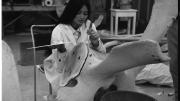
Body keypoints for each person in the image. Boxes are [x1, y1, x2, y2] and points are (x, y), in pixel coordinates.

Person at [43, 0, 106, 100]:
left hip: (85, 68)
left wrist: (95, 42)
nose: (82, 17)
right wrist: (62, 50)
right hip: (64, 70)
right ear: (71, 12)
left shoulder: (89, 26)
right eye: (78, 13)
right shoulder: (59, 31)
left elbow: (102, 53)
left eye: (85, 14)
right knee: (72, 94)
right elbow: (60, 67)